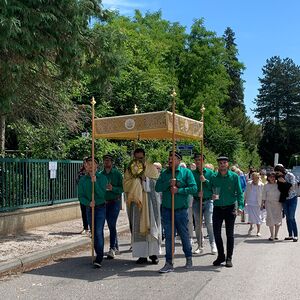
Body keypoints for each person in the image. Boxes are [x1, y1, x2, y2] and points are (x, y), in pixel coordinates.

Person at [155, 151, 197, 273]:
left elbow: (194, 188)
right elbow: (157, 188)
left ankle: (188, 258)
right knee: (168, 236)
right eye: (169, 159)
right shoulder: (164, 173)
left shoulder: (186, 172)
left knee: (184, 235)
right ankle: (169, 262)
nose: (170, 161)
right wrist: (168, 183)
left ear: (179, 160)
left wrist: (179, 189)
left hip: (181, 210)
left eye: (173, 159)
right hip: (167, 209)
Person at [123, 148, 161, 264]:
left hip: (150, 204)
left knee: (152, 227)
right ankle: (142, 255)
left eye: (141, 158)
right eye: (136, 158)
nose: (138, 160)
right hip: (137, 204)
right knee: (138, 229)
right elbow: (125, 184)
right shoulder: (130, 170)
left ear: (145, 157)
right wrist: (136, 181)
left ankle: (154, 254)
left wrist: (146, 180)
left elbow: (157, 186)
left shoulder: (152, 168)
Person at [210, 156, 244, 268]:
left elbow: (239, 193)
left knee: (229, 234)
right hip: (217, 208)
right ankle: (221, 256)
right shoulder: (214, 177)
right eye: (220, 163)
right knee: (216, 233)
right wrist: (211, 195)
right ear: (218, 165)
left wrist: (240, 206)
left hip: (230, 208)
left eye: (224, 162)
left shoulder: (234, 177)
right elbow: (208, 190)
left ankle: (229, 258)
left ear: (227, 164)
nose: (222, 164)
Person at [78, 157, 107, 268]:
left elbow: (102, 194)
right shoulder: (83, 180)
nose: (90, 166)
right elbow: (80, 196)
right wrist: (88, 203)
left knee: (98, 231)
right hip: (89, 208)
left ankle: (99, 257)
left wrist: (95, 183)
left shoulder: (102, 178)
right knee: (93, 232)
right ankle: (97, 253)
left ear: (97, 166)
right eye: (88, 164)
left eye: (93, 164)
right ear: (86, 166)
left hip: (100, 207)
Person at [192, 153, 217, 255]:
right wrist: (196, 193)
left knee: (209, 223)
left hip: (208, 201)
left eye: (200, 160)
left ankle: (212, 244)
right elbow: (190, 187)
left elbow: (214, 188)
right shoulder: (192, 174)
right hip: (197, 201)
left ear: (203, 161)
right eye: (196, 160)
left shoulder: (210, 173)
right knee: (197, 225)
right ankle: (200, 245)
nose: (198, 161)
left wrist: (205, 181)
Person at [101, 154, 123, 259]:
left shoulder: (117, 174)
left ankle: (112, 248)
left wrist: (112, 188)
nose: (107, 162)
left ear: (112, 162)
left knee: (111, 223)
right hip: (104, 202)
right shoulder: (100, 174)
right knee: (110, 225)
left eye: (109, 160)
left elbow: (122, 188)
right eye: (105, 160)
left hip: (115, 202)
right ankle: (116, 247)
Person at [274, 164, 298, 242]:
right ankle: (290, 235)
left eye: (278, 172)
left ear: (281, 170)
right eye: (276, 173)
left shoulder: (290, 175)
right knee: (287, 218)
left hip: (292, 198)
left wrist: (284, 182)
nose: (277, 174)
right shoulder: (277, 177)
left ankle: (296, 235)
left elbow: (293, 187)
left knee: (291, 217)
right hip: (284, 199)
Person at [262, 172, 282, 240]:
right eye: (270, 177)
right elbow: (263, 195)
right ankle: (272, 235)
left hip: (278, 204)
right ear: (268, 178)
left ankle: (276, 235)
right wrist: (262, 204)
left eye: (273, 176)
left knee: (277, 219)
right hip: (269, 204)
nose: (272, 178)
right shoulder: (266, 186)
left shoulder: (279, 184)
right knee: (270, 218)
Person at [244, 172, 264, 236]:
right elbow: (246, 192)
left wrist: (262, 204)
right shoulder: (249, 183)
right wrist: (244, 201)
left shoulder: (261, 185)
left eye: (255, 178)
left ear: (258, 178)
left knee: (258, 217)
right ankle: (251, 227)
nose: (254, 179)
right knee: (251, 216)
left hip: (257, 203)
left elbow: (263, 195)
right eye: (253, 178)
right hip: (250, 202)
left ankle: (258, 231)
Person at [76, 158, 89, 235]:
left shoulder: (92, 172)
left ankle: (91, 227)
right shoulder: (81, 172)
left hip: (90, 196)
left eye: (87, 162)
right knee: (83, 211)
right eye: (84, 162)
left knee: (90, 211)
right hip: (83, 196)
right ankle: (85, 228)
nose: (85, 164)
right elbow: (77, 181)